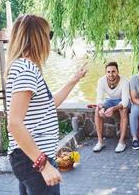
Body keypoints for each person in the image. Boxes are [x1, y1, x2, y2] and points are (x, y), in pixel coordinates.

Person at [6, 15, 86, 195]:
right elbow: (14, 123)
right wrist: (43, 165)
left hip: (29, 158)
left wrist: (74, 80)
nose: (50, 41)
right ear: (39, 38)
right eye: (49, 35)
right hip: (33, 160)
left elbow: (50, 105)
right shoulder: (26, 70)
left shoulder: (25, 67)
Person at [93, 62, 130, 153]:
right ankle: (100, 141)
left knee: (123, 110)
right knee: (97, 110)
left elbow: (125, 101)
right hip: (109, 100)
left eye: (113, 71)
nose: (111, 74)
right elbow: (99, 99)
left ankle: (121, 142)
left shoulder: (124, 81)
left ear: (118, 71)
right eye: (108, 72)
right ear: (105, 72)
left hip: (121, 101)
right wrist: (101, 108)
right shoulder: (101, 81)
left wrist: (113, 109)